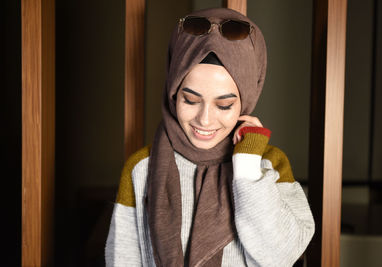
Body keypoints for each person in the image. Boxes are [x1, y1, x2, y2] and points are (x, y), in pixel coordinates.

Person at [105, 7, 314, 267]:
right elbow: (122, 260)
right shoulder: (142, 168)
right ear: (173, 93)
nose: (204, 119)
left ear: (246, 99)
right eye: (190, 100)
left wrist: (248, 167)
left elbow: (281, 256)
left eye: (224, 105)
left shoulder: (268, 164)